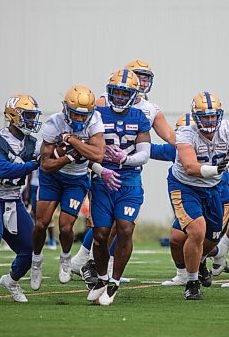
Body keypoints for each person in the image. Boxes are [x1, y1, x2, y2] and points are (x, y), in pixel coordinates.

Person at [71, 59, 175, 279]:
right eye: (139, 75)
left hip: (129, 171)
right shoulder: (102, 103)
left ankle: (100, 268)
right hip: (100, 168)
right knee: (102, 224)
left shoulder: (150, 109)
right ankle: (83, 260)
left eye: (146, 76)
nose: (143, 80)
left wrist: (190, 148)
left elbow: (169, 138)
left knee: (124, 224)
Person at [169, 92, 229, 300]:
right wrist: (215, 169)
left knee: (212, 239)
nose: (209, 120)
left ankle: (201, 260)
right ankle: (192, 281)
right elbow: (190, 167)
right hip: (186, 186)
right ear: (195, 116)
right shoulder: (186, 134)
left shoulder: (227, 129)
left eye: (213, 116)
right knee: (196, 231)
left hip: (214, 189)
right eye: (205, 116)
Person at [30, 85, 105, 290]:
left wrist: (71, 140)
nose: (80, 120)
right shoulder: (54, 123)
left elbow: (97, 154)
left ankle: (65, 258)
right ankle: (36, 261)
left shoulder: (95, 122)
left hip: (77, 179)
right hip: (52, 178)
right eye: (75, 114)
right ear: (66, 109)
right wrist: (71, 155)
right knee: (40, 224)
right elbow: (45, 165)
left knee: (65, 226)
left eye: (84, 115)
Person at [86, 68, 150, 306]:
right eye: (117, 92)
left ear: (133, 94)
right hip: (102, 180)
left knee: (124, 229)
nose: (121, 97)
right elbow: (84, 152)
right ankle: (102, 279)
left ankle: (115, 282)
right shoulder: (96, 115)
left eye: (126, 93)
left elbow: (144, 154)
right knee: (101, 234)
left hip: (129, 180)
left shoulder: (140, 117)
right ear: (109, 91)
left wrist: (125, 159)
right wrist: (100, 169)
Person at [0, 94, 42, 305]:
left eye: (33, 115)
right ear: (13, 116)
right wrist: (33, 165)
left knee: (32, 248)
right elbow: (2, 170)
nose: (31, 120)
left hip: (13, 200)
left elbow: (50, 155)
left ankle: (11, 280)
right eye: (27, 115)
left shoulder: (32, 143)